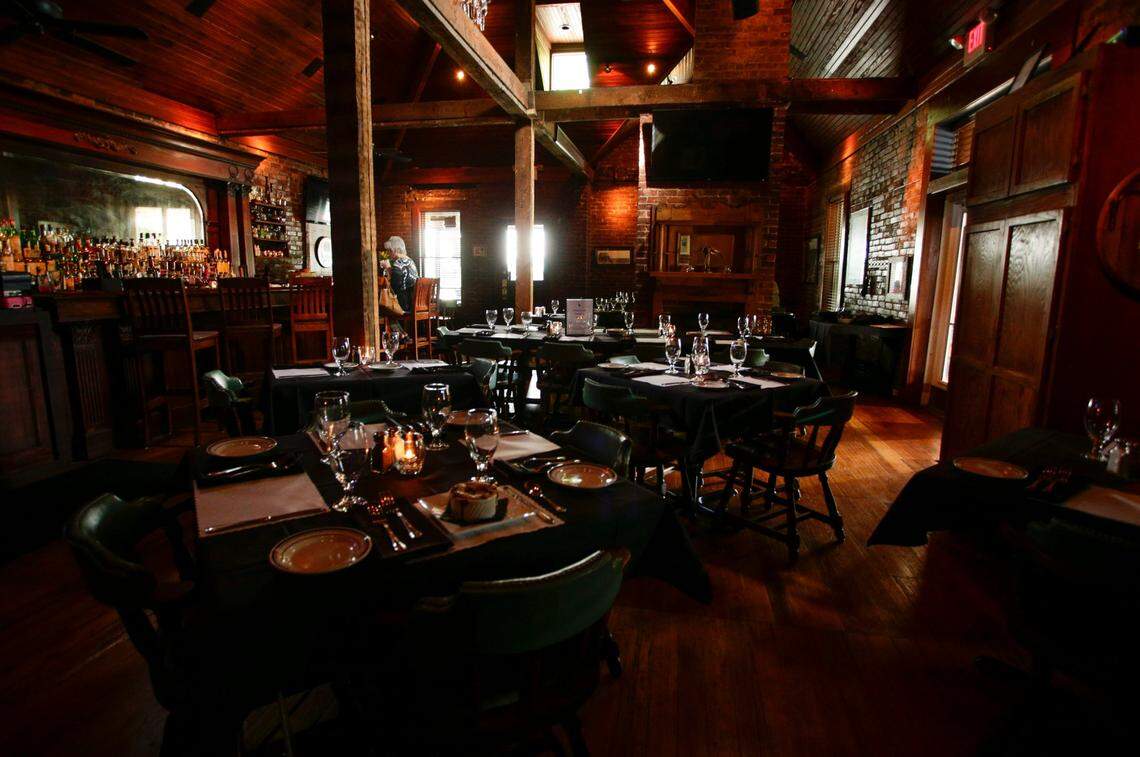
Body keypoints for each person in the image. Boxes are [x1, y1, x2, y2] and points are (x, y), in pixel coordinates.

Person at [379, 235, 418, 313]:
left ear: (396, 250)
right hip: (413, 302)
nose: (388, 253)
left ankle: (391, 324)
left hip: (403, 304)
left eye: (389, 250)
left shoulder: (398, 263)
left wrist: (388, 268)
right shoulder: (410, 261)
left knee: (379, 305)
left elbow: (394, 288)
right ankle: (395, 325)